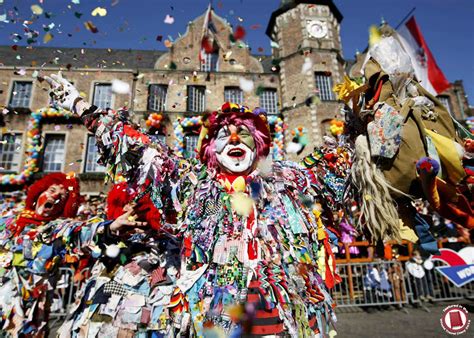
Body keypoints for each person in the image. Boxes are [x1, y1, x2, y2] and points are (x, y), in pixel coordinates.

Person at [46, 72, 354, 336]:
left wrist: (363, 112)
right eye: (224, 135)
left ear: (258, 144)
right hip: (214, 310)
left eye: (243, 134)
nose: (234, 139)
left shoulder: (287, 178)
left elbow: (343, 164)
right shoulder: (193, 181)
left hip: (278, 306)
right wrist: (79, 105)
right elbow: (137, 146)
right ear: (211, 149)